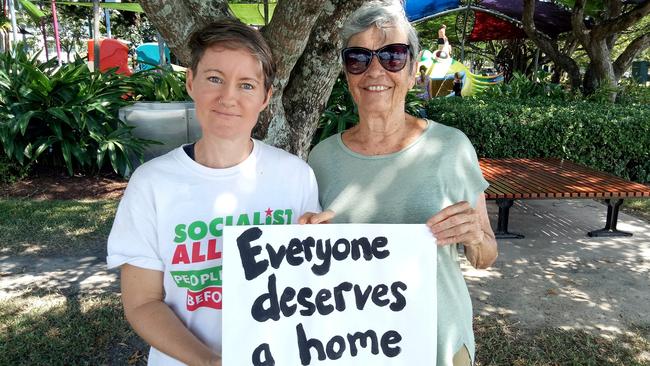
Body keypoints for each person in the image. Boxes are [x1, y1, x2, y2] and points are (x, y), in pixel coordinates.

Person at [107, 20, 321, 366]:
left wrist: (321, 249)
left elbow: (308, 288)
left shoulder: (296, 177)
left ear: (266, 97)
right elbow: (142, 302)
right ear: (191, 82)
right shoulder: (152, 184)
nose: (228, 98)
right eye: (214, 78)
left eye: (247, 85)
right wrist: (210, 362)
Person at [306, 2, 497, 365]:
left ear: (412, 72)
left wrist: (474, 236)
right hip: (350, 344)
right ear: (347, 74)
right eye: (358, 58)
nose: (375, 70)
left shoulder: (451, 147)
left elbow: (485, 255)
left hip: (439, 342)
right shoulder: (321, 158)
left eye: (393, 56)